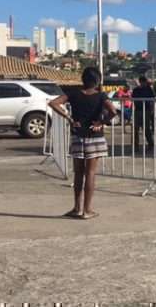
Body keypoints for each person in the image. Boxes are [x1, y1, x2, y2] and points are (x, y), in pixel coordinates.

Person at [48, 67, 117, 220]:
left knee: (78, 173)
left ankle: (77, 208)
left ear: (83, 80)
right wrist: (101, 122)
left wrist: (69, 118)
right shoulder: (100, 96)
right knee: (90, 173)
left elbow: (53, 103)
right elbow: (113, 111)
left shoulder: (74, 94)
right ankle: (87, 210)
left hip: (78, 136)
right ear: (97, 81)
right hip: (95, 136)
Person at [132, 76, 156, 149]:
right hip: (138, 110)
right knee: (136, 129)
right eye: (142, 82)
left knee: (146, 128)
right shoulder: (136, 90)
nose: (143, 83)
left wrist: (152, 109)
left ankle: (150, 144)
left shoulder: (149, 89)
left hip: (146, 110)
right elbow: (133, 99)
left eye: (144, 82)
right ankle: (136, 146)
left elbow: (153, 99)